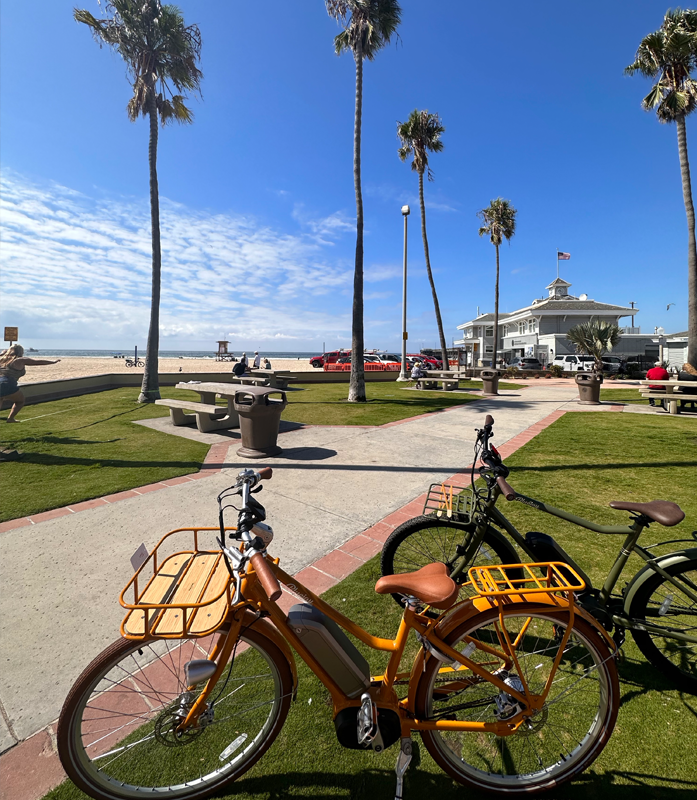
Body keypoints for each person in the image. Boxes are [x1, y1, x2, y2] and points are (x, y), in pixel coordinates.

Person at [0, 345, 61, 422]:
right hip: (8, 383)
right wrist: (53, 362)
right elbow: (37, 362)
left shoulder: (2, 359)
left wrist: (1, 354)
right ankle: (10, 418)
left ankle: (10, 419)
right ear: (21, 351)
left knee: (1, 398)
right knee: (20, 401)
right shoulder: (19, 360)